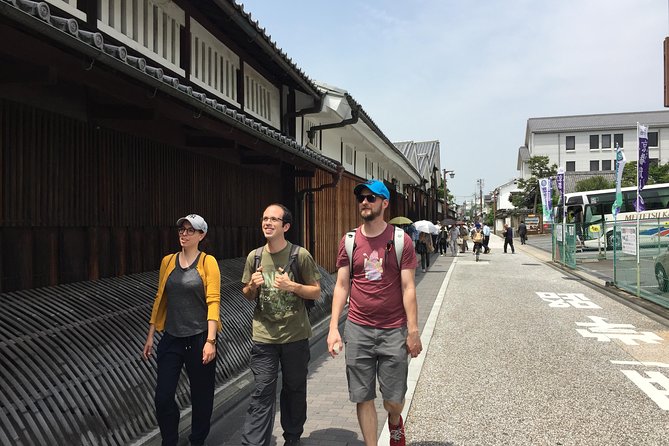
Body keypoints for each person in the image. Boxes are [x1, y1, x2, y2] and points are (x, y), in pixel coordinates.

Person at [327, 179, 422, 446]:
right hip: (358, 328)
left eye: (371, 197)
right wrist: (334, 327)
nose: (365, 202)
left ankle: (394, 421)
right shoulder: (349, 241)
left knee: (394, 399)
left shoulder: (400, 241)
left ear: (384, 203)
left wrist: (413, 330)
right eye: (361, 198)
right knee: (363, 395)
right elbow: (342, 285)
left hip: (394, 328)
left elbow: (408, 287)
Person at [240, 204, 321, 446]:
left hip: (295, 336)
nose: (267, 223)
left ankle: (293, 437)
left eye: (274, 219)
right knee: (262, 391)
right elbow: (246, 294)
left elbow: (316, 292)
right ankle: (253, 442)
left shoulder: (300, 255)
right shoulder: (254, 257)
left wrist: (293, 287)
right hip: (264, 337)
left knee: (294, 389)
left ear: (285, 226)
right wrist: (252, 287)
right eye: (265, 218)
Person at [142, 214, 221, 446]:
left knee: (201, 395)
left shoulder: (208, 262)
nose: (184, 234)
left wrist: (211, 340)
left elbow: (213, 301)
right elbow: (160, 298)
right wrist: (150, 335)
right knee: (163, 396)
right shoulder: (168, 261)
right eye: (181, 230)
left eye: (190, 230)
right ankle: (170, 440)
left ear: (201, 235)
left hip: (199, 338)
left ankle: (197, 439)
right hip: (172, 338)